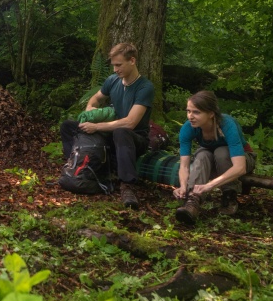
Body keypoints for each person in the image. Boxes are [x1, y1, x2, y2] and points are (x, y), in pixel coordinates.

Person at [59, 43, 154, 208]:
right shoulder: (113, 80)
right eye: (113, 65)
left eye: (119, 65)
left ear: (132, 60)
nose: (115, 70)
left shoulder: (145, 87)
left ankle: (127, 186)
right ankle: (77, 167)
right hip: (110, 132)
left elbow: (130, 122)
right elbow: (95, 99)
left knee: (121, 132)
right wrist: (91, 114)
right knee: (68, 126)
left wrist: (96, 127)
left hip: (134, 138)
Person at [173, 90, 256, 225]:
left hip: (242, 158)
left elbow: (240, 167)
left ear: (211, 114)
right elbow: (184, 165)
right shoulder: (188, 128)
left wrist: (209, 186)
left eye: (196, 112)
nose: (190, 116)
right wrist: (182, 186)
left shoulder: (227, 124)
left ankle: (229, 196)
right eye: (188, 111)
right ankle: (193, 201)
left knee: (222, 152)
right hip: (212, 160)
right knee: (202, 154)